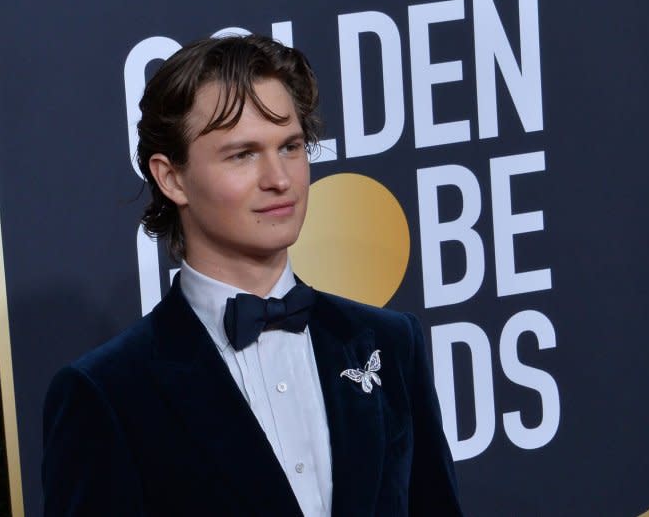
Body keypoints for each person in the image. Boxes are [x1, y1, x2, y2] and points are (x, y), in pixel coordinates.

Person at [42, 34, 464, 517]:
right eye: (242, 154)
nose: (279, 178)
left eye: (290, 146)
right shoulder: (107, 394)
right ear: (171, 178)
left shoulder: (391, 344)